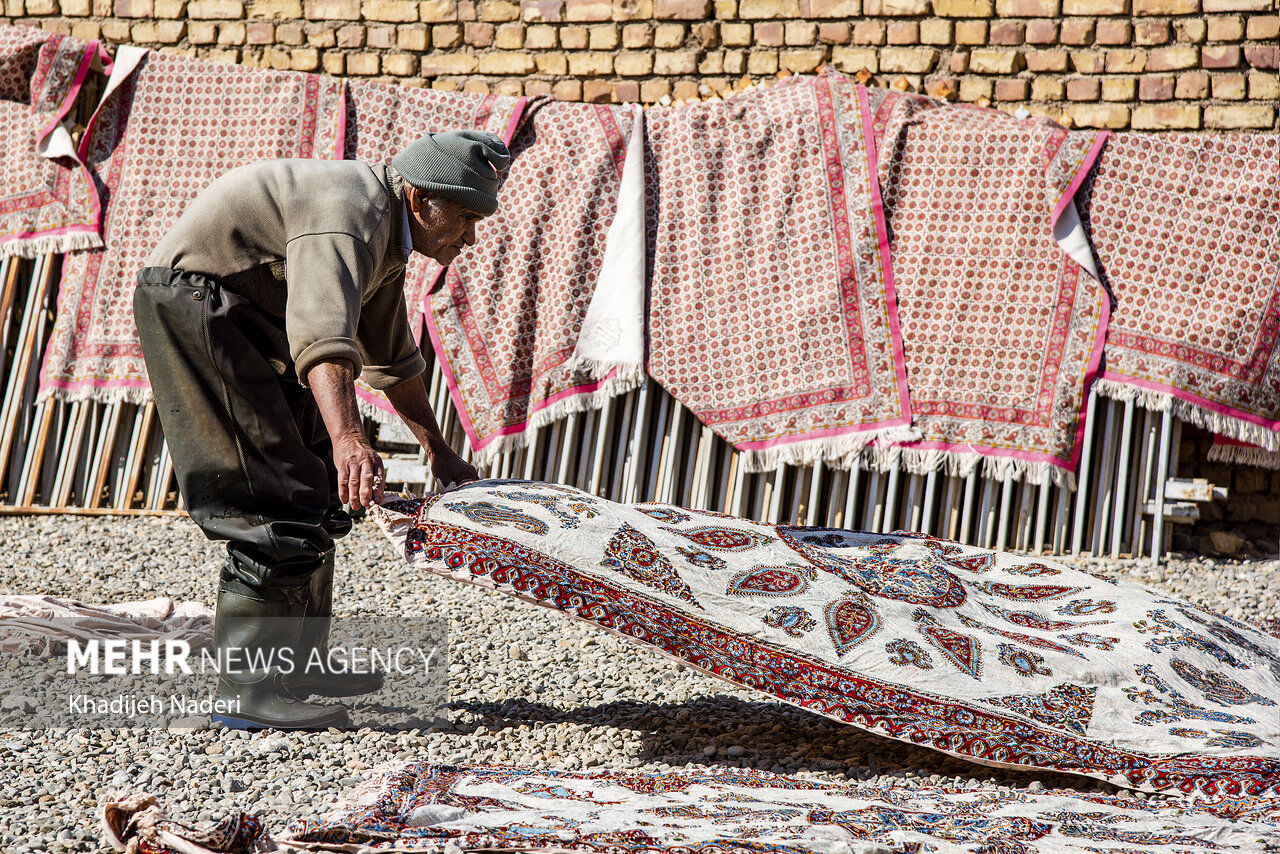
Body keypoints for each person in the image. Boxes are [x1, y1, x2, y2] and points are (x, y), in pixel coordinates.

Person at [133, 130, 510, 730]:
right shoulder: (352, 214)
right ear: (419, 198)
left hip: (252, 314)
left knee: (321, 486)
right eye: (464, 217)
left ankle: (299, 662)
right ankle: (247, 689)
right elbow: (323, 332)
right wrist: (348, 437)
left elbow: (390, 355)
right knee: (273, 494)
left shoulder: (387, 233)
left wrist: (438, 451)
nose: (470, 237)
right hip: (202, 305)